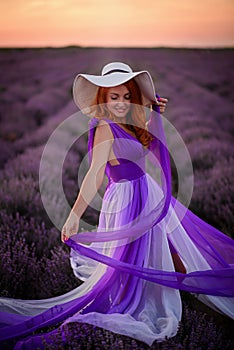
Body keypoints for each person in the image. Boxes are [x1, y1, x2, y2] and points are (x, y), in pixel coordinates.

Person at [0, 62, 233, 349]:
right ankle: (156, 300)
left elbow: (149, 146)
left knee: (164, 249)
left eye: (126, 96)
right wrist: (75, 216)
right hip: (126, 200)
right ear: (103, 99)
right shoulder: (104, 127)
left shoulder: (131, 123)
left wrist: (155, 114)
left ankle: (189, 295)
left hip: (147, 193)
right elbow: (95, 172)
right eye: (114, 97)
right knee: (133, 258)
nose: (121, 103)